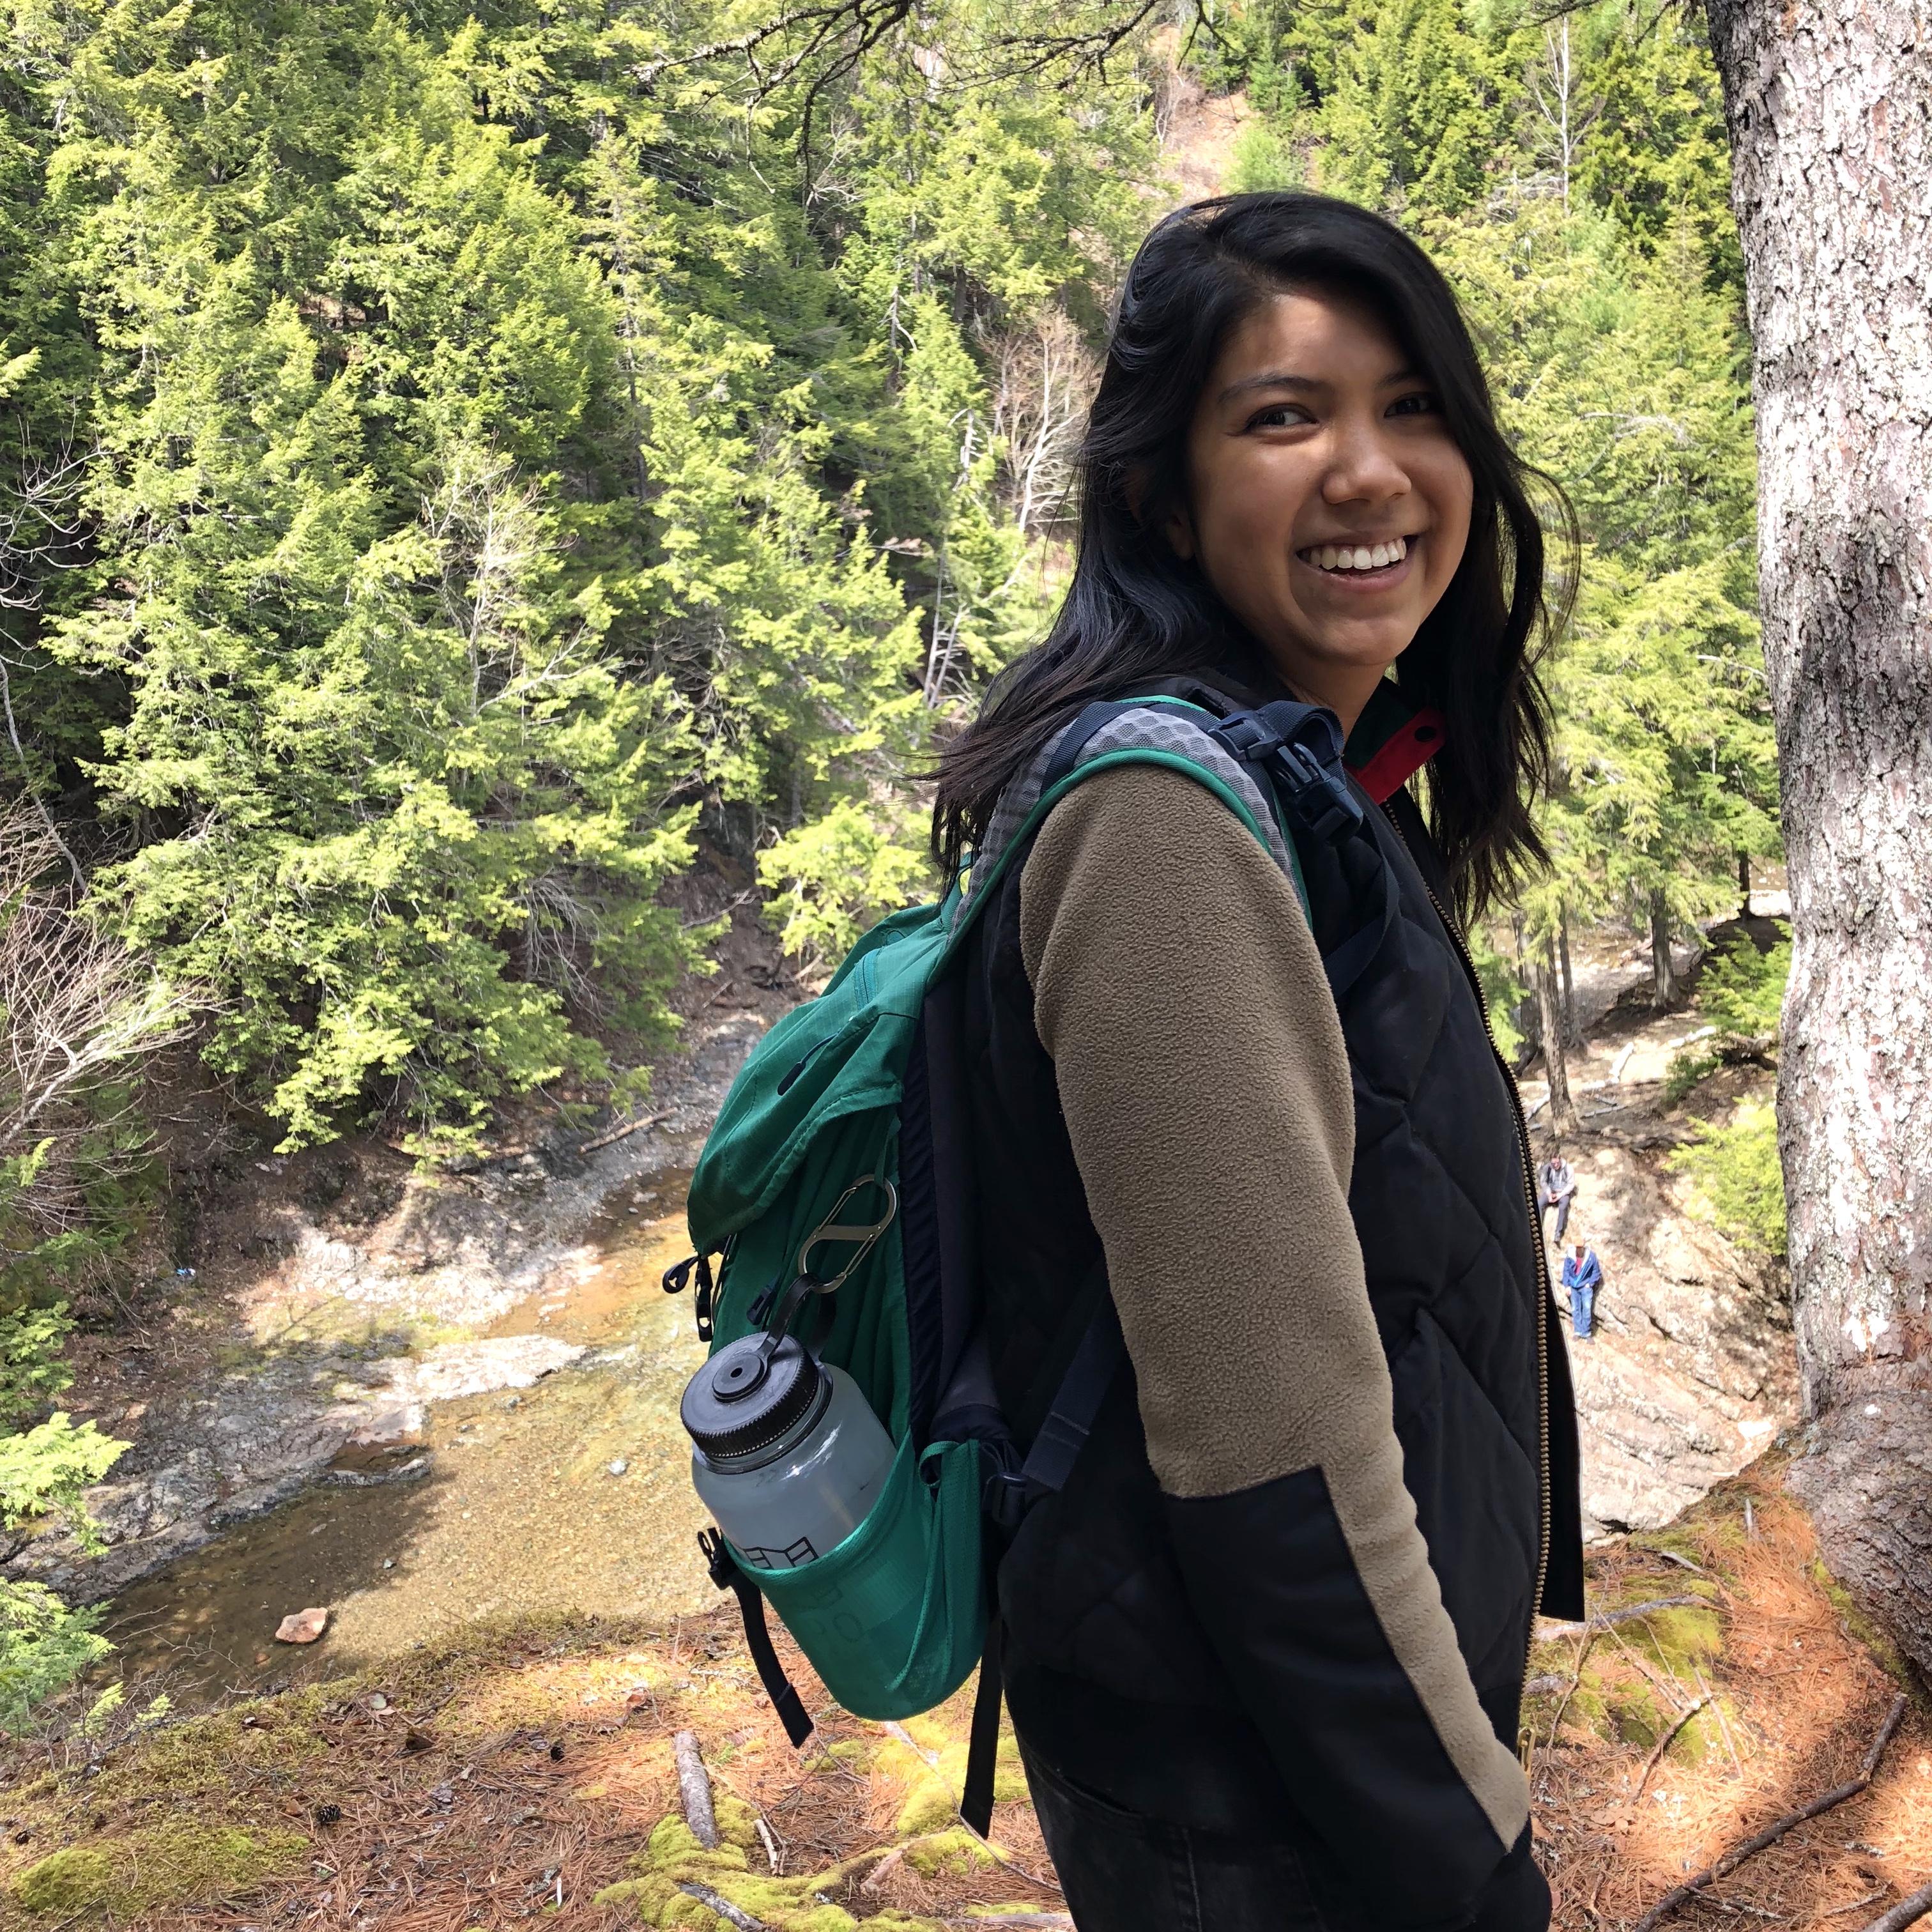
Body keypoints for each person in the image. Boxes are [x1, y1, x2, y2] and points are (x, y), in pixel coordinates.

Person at [936, 194, 1583, 1932]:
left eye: (1415, 404)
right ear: (1160, 488)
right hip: (1256, 1808)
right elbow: (1273, 1461)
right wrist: (1475, 1864)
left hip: (1271, 1755)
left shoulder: (1308, 779)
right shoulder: (1164, 822)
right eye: (1285, 416)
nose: (1369, 469)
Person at [1562, 1241, 1603, 1342]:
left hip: (1585, 1287)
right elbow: (1566, 1271)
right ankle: (1578, 1331)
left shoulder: (1591, 1257)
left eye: (1580, 1247)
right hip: (1573, 1286)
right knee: (1576, 1309)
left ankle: (1586, 1333)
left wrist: (1590, 1284)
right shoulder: (1570, 1256)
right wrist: (1567, 1286)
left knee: (1587, 1309)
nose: (1579, 1250)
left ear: (1584, 1247)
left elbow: (1596, 1272)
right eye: (1577, 1247)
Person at [1539, 1152, 1577, 1245]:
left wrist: (1560, 1195)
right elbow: (1543, 1182)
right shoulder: (1547, 1168)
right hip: (1551, 1191)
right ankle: (1538, 1227)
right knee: (1539, 1204)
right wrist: (1549, 1194)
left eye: (1557, 1163)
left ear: (1560, 1161)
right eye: (1553, 1164)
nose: (1555, 1165)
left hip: (1563, 1192)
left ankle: (1558, 1233)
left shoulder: (1568, 1168)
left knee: (1563, 1207)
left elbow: (1570, 1185)